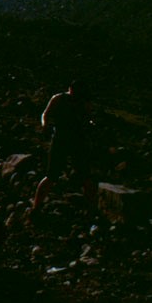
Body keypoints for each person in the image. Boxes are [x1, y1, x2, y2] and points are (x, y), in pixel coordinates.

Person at [30, 81, 97, 220]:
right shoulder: (59, 99)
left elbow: (89, 118)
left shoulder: (81, 102)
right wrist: (45, 124)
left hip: (75, 140)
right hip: (64, 139)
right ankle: (36, 207)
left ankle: (92, 209)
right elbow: (45, 114)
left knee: (83, 176)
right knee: (54, 175)